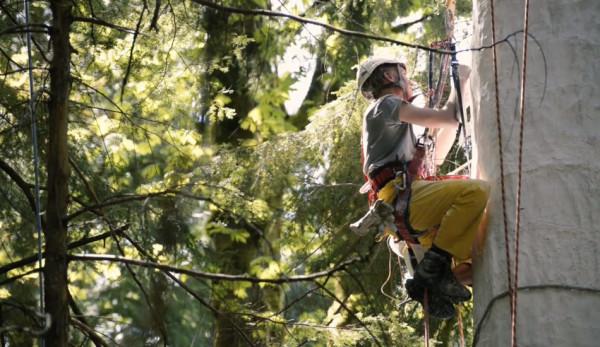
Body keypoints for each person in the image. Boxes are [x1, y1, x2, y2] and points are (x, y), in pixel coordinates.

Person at [356, 57, 490, 319]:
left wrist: (433, 107)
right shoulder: (386, 104)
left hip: (408, 211)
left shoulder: (394, 131)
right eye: (402, 74)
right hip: (405, 202)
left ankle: (433, 277)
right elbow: (449, 117)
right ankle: (433, 270)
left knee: (479, 260)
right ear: (389, 78)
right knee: (476, 192)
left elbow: (440, 142)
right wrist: (460, 81)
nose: (408, 80)